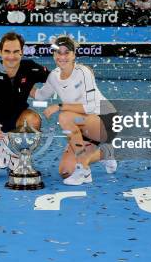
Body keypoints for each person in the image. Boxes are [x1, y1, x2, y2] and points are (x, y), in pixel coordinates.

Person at [33, 36, 117, 186]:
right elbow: (40, 95)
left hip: (104, 121)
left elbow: (90, 107)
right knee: (65, 171)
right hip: (81, 124)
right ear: (54, 55)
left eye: (67, 52)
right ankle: (105, 154)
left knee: (65, 117)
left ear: (74, 55)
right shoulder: (53, 76)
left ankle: (83, 170)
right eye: (59, 52)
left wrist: (59, 106)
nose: (62, 56)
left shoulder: (83, 72)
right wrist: (17, 80)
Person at [0, 32, 49, 178]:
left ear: (22, 52)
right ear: (0, 52)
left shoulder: (31, 68)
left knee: (32, 119)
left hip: (17, 121)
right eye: (7, 51)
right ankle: (1, 153)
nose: (11, 57)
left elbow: (57, 79)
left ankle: (15, 153)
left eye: (15, 52)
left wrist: (80, 73)